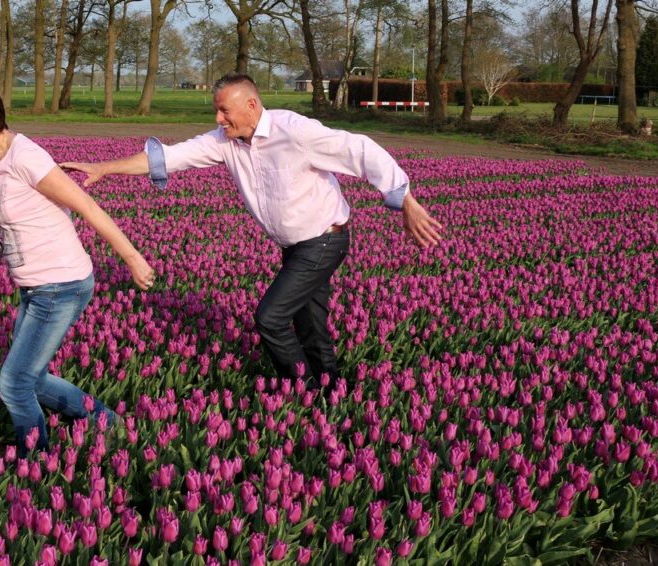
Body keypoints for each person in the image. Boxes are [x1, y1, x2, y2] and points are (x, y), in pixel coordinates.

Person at [62, 73, 442, 388]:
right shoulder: (225, 142)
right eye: (216, 111)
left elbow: (361, 150)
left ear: (251, 105)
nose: (218, 119)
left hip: (325, 238)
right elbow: (170, 156)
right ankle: (332, 392)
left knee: (270, 318)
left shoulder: (295, 131)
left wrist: (405, 200)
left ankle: (303, 389)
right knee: (311, 328)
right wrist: (104, 168)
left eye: (224, 110)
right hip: (295, 246)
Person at [0, 82, 154, 455]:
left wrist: (133, 258)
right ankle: (109, 424)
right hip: (35, 287)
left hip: (61, 285)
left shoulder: (27, 158)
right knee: (32, 379)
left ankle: (34, 462)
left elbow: (87, 206)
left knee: (14, 384)